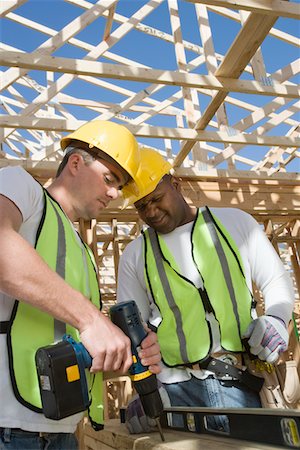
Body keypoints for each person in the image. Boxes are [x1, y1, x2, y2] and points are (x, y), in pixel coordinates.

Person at [0, 121, 161, 450]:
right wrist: (91, 320)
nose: (115, 194)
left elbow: (67, 333)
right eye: (110, 179)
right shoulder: (22, 187)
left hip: (62, 429)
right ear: (76, 163)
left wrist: (127, 350)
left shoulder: (80, 251)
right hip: (9, 428)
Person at [117, 147, 295, 434]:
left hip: (243, 383)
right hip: (174, 393)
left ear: (175, 184)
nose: (150, 211)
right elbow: (132, 333)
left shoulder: (236, 223)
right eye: (141, 206)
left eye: (156, 199)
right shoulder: (136, 254)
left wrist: (276, 317)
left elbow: (276, 281)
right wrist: (144, 390)